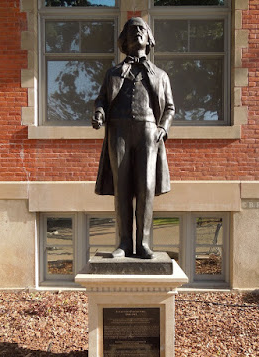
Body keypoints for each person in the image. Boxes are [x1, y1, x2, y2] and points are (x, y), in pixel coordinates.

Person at [92, 17, 175, 259]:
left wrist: (163, 128)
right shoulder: (113, 73)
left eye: (142, 29)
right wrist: (99, 112)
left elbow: (169, 107)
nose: (137, 32)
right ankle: (125, 243)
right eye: (132, 29)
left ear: (149, 39)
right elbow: (102, 100)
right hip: (118, 131)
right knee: (123, 188)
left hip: (149, 131)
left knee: (146, 187)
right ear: (125, 40)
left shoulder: (160, 75)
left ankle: (144, 243)